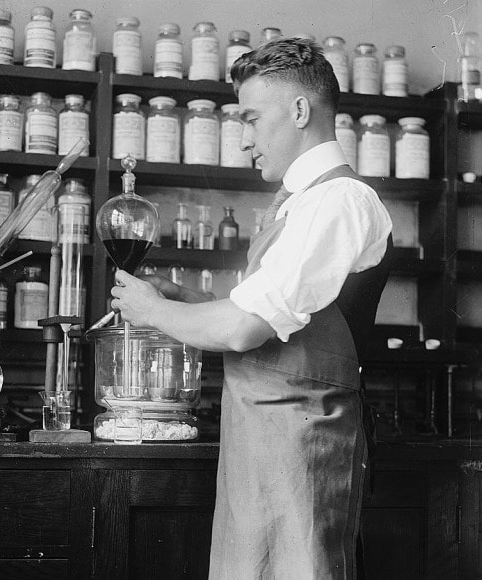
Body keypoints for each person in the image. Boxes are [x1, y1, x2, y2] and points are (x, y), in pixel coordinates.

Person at [110, 37, 393, 580]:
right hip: (265, 441)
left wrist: (153, 312)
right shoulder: (301, 203)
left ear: (301, 110)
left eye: (251, 119)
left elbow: (245, 328)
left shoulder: (339, 201)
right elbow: (273, 316)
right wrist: (187, 301)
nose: (244, 141)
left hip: (304, 446)